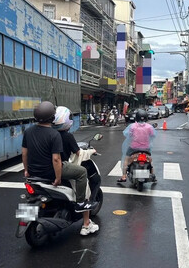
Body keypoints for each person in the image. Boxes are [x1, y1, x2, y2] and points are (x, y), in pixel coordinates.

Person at [21, 101, 98, 236]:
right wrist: (57, 178)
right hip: (50, 172)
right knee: (82, 172)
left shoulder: (28, 132)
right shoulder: (53, 134)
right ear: (52, 117)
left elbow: (25, 153)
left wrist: (26, 170)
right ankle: (80, 203)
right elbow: (56, 159)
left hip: (34, 174)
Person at [52, 105, 99, 236]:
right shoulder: (67, 137)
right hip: (63, 168)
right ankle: (86, 224)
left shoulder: (49, 134)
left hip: (45, 170)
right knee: (85, 191)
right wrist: (92, 151)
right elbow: (79, 153)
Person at [117, 108, 156, 183]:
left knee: (126, 159)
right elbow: (153, 135)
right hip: (146, 148)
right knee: (150, 161)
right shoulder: (149, 127)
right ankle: (152, 174)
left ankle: (124, 176)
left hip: (133, 148)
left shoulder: (132, 126)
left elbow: (128, 134)